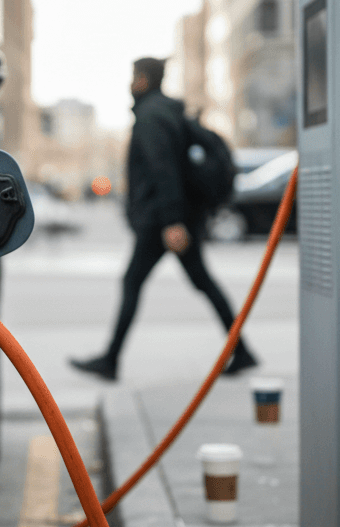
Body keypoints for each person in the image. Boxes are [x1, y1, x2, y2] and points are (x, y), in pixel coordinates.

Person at [70, 56, 258, 382]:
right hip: (174, 216)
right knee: (201, 282)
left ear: (143, 79)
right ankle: (241, 350)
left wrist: (172, 221)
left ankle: (111, 360)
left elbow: (164, 169)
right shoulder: (168, 113)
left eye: (133, 76)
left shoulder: (151, 117)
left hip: (162, 220)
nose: (130, 83)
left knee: (134, 282)